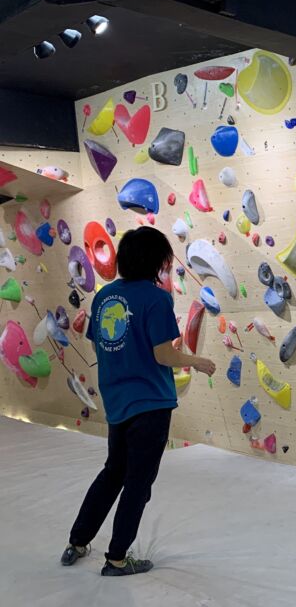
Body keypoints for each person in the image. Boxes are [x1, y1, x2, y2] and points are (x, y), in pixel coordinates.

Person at [61, 227, 216, 575]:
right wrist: (198, 362)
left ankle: (77, 541)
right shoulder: (156, 299)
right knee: (137, 483)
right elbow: (163, 355)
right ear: (155, 260)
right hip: (150, 403)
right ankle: (117, 558)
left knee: (113, 472)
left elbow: (101, 343)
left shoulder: (104, 297)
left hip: (117, 402)